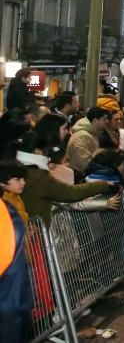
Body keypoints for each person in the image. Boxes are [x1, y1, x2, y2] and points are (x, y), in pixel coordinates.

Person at [16, 132, 117, 226]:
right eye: (45, 152)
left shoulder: (16, 172)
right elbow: (71, 194)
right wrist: (102, 185)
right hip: (44, 233)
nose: (47, 157)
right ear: (37, 151)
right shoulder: (40, 176)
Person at [0, 160, 32, 342]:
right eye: (17, 178)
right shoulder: (7, 208)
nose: (23, 183)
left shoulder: (12, 202)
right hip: (10, 299)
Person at [66, 108, 112, 175]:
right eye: (104, 119)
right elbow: (85, 163)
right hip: (79, 178)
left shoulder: (93, 133)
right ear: (95, 121)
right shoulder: (82, 136)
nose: (107, 121)